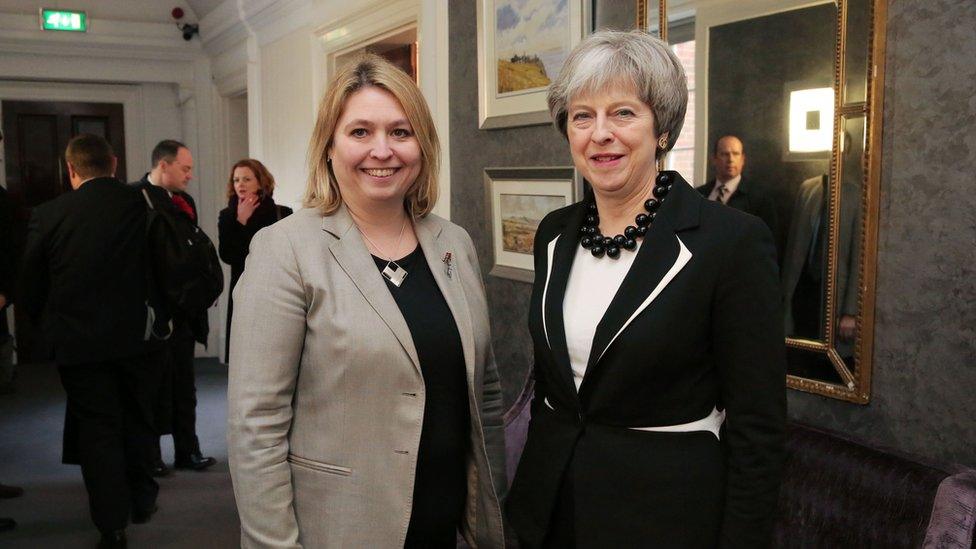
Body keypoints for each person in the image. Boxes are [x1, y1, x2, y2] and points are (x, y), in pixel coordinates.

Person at [505, 30, 787, 548]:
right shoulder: (553, 233)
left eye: (623, 113)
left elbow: (759, 429)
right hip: (546, 509)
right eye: (582, 115)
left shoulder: (731, 242)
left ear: (662, 128)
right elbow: (555, 387)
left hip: (662, 517)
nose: (600, 134)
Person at [227, 53, 506, 548]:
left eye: (401, 132)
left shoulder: (453, 243)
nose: (383, 150)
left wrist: (490, 509)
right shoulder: (286, 249)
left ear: (422, 144)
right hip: (339, 527)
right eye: (360, 132)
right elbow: (256, 427)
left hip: (442, 522)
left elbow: (483, 392)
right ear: (329, 147)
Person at [19, 134, 163, 548]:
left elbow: (29, 284)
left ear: (71, 170)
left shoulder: (49, 214)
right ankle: (142, 499)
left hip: (79, 343)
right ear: (114, 164)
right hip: (140, 337)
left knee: (98, 430)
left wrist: (49, 325)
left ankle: (111, 525)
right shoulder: (144, 204)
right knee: (138, 418)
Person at [133, 140, 216, 474]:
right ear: (163, 165)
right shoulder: (135, 199)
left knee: (184, 383)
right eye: (185, 168)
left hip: (184, 307)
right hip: (152, 310)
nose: (190, 176)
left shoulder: (185, 201)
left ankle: (187, 450)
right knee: (151, 386)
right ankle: (151, 456)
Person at [217, 159, 292, 362]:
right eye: (236, 180)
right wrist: (241, 222)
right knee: (245, 355)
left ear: (261, 182)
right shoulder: (227, 216)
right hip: (243, 288)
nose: (240, 184)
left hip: (277, 288)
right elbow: (228, 255)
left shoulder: (282, 213)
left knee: (278, 352)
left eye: (247, 179)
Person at [698, 135, 780, 241]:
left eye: (736, 154)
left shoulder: (760, 198)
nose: (730, 159)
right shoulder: (698, 194)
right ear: (714, 159)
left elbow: (768, 240)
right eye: (724, 154)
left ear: (742, 159)